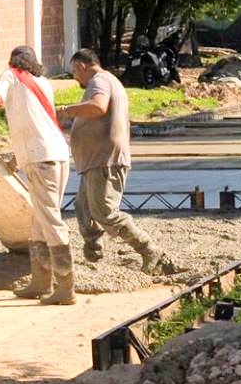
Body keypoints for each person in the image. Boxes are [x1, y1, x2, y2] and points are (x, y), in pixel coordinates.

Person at [65, 49, 177, 275]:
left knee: (105, 213)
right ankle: (94, 253)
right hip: (96, 160)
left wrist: (65, 111)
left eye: (74, 72)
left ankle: (149, 249)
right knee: (83, 208)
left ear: (81, 66)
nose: (75, 78)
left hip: (105, 160)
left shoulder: (100, 81)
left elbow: (98, 106)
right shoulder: (105, 81)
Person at [0, 45, 74, 304]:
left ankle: (65, 287)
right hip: (58, 154)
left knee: (50, 219)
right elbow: (34, 123)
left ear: (14, 62)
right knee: (39, 222)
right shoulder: (43, 82)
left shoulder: (10, 75)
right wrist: (17, 160)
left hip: (41, 159)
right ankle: (41, 283)